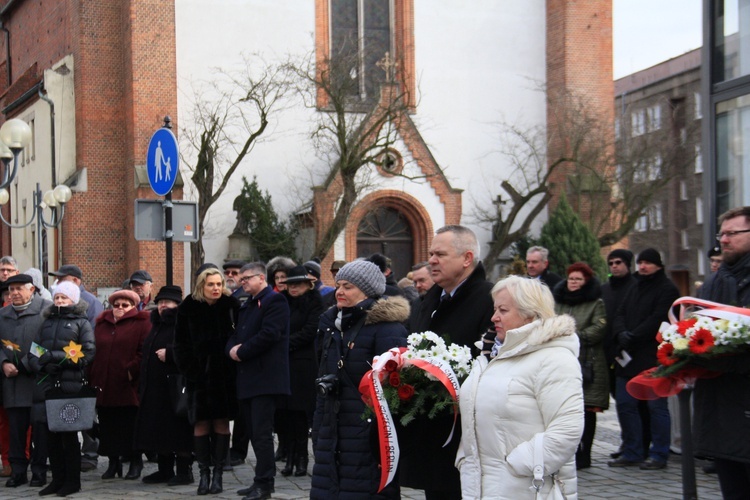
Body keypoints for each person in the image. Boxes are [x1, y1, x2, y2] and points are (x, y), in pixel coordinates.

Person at [456, 275, 583, 499]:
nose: (494, 317)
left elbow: (567, 431)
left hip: (527, 488)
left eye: (503, 310)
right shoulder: (491, 354)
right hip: (480, 484)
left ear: (529, 313)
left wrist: (516, 466)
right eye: (495, 309)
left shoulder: (554, 358)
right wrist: (466, 457)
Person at [404, 225, 495, 499]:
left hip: (467, 430)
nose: (431, 260)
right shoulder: (429, 300)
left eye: (440, 254)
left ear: (467, 258)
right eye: (431, 253)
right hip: (431, 426)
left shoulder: (489, 299)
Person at [310, 260, 409, 499]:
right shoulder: (331, 325)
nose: (339, 292)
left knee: (364, 489)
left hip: (366, 431)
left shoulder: (387, 328)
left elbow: (394, 389)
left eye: (348, 286)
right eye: (338, 285)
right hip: (330, 423)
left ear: (368, 290)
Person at [694, 207, 750, 498]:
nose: (723, 240)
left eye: (732, 233)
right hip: (720, 405)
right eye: (721, 234)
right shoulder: (714, 281)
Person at [609, 248, 679, 470]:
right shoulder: (634, 286)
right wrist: (621, 333)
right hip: (628, 356)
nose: (643, 266)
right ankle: (633, 451)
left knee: (656, 408)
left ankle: (659, 453)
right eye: (640, 262)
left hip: (653, 356)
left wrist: (634, 335)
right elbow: (619, 313)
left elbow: (658, 318)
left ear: (658, 264)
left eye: (647, 262)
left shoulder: (668, 288)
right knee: (625, 405)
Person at [228, 262, 291, 500]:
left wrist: (241, 352)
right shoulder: (247, 306)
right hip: (248, 379)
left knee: (262, 434)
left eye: (246, 278)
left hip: (266, 378)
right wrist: (230, 349)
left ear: (261, 278)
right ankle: (259, 480)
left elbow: (270, 334)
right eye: (241, 279)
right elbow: (236, 335)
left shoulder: (275, 302)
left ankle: (265, 484)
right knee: (254, 432)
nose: (242, 282)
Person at [174, 268, 239, 495]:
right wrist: (192, 371)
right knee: (201, 424)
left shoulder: (231, 306)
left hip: (224, 377)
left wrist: (232, 369)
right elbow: (179, 345)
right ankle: (204, 474)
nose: (216, 289)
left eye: (219, 284)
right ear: (202, 286)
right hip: (198, 377)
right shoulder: (188, 308)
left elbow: (240, 338)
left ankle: (219, 473)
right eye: (211, 284)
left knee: (221, 423)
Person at [29, 281, 95, 497]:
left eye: (64, 298)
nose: (59, 301)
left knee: (68, 436)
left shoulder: (81, 323)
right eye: (57, 297)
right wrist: (40, 363)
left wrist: (57, 358)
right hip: (47, 385)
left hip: (69, 385)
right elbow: (34, 350)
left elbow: (87, 354)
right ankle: (57, 480)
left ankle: (72, 481)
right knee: (51, 436)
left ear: (73, 300)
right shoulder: (46, 322)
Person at [133, 285, 194, 486]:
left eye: (167, 302)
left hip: (175, 388)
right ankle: (164, 470)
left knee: (179, 431)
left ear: (177, 304)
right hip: (155, 388)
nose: (162, 306)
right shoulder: (156, 325)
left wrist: (171, 353)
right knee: (159, 430)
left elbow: (192, 350)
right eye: (160, 302)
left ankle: (184, 471)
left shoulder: (184, 323)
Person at [88, 289, 151, 480]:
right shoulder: (102, 323)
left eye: (125, 305)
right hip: (104, 384)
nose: (120, 308)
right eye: (117, 305)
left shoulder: (141, 323)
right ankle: (113, 463)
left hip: (127, 385)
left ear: (133, 306)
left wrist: (131, 370)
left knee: (129, 425)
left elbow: (143, 351)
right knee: (108, 426)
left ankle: (135, 461)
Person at [48, 264, 105, 472]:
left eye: (63, 278)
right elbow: (42, 340)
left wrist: (60, 357)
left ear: (76, 281)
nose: (58, 282)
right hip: (56, 374)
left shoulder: (90, 303)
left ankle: (90, 453)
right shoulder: (53, 310)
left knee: (85, 411)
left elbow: (90, 341)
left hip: (80, 370)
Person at [553, 262, 608, 469]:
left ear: (586, 282)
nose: (573, 282)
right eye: (571, 278)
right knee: (565, 408)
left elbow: (598, 328)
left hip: (588, 361)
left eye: (578, 279)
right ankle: (571, 451)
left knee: (587, 409)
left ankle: (586, 453)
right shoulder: (559, 301)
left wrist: (574, 336)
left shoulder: (596, 303)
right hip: (561, 359)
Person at [0, 274, 52, 488]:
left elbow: (49, 342)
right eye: (11, 290)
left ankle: (39, 471)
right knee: (15, 430)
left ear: (32, 289)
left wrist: (22, 364)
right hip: (11, 383)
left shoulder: (46, 311)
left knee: (40, 431)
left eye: (19, 288)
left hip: (37, 381)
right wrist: (3, 362)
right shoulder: (2, 314)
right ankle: (18, 471)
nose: (14, 293)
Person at [275, 265, 323, 478]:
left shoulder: (314, 302)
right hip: (282, 363)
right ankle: (290, 457)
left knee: (300, 414)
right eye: (290, 284)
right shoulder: (281, 302)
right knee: (285, 413)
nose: (293, 288)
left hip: (303, 364)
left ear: (307, 284)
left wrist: (284, 343)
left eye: (297, 284)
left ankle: (302, 459)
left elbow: (310, 331)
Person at [0, 256, 20, 478]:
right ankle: (7, 460)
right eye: (2, 269)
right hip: (2, 365)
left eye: (9, 269)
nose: (5, 273)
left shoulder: (37, 304)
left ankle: (19, 458)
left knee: (22, 420)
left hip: (22, 369)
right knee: (4, 420)